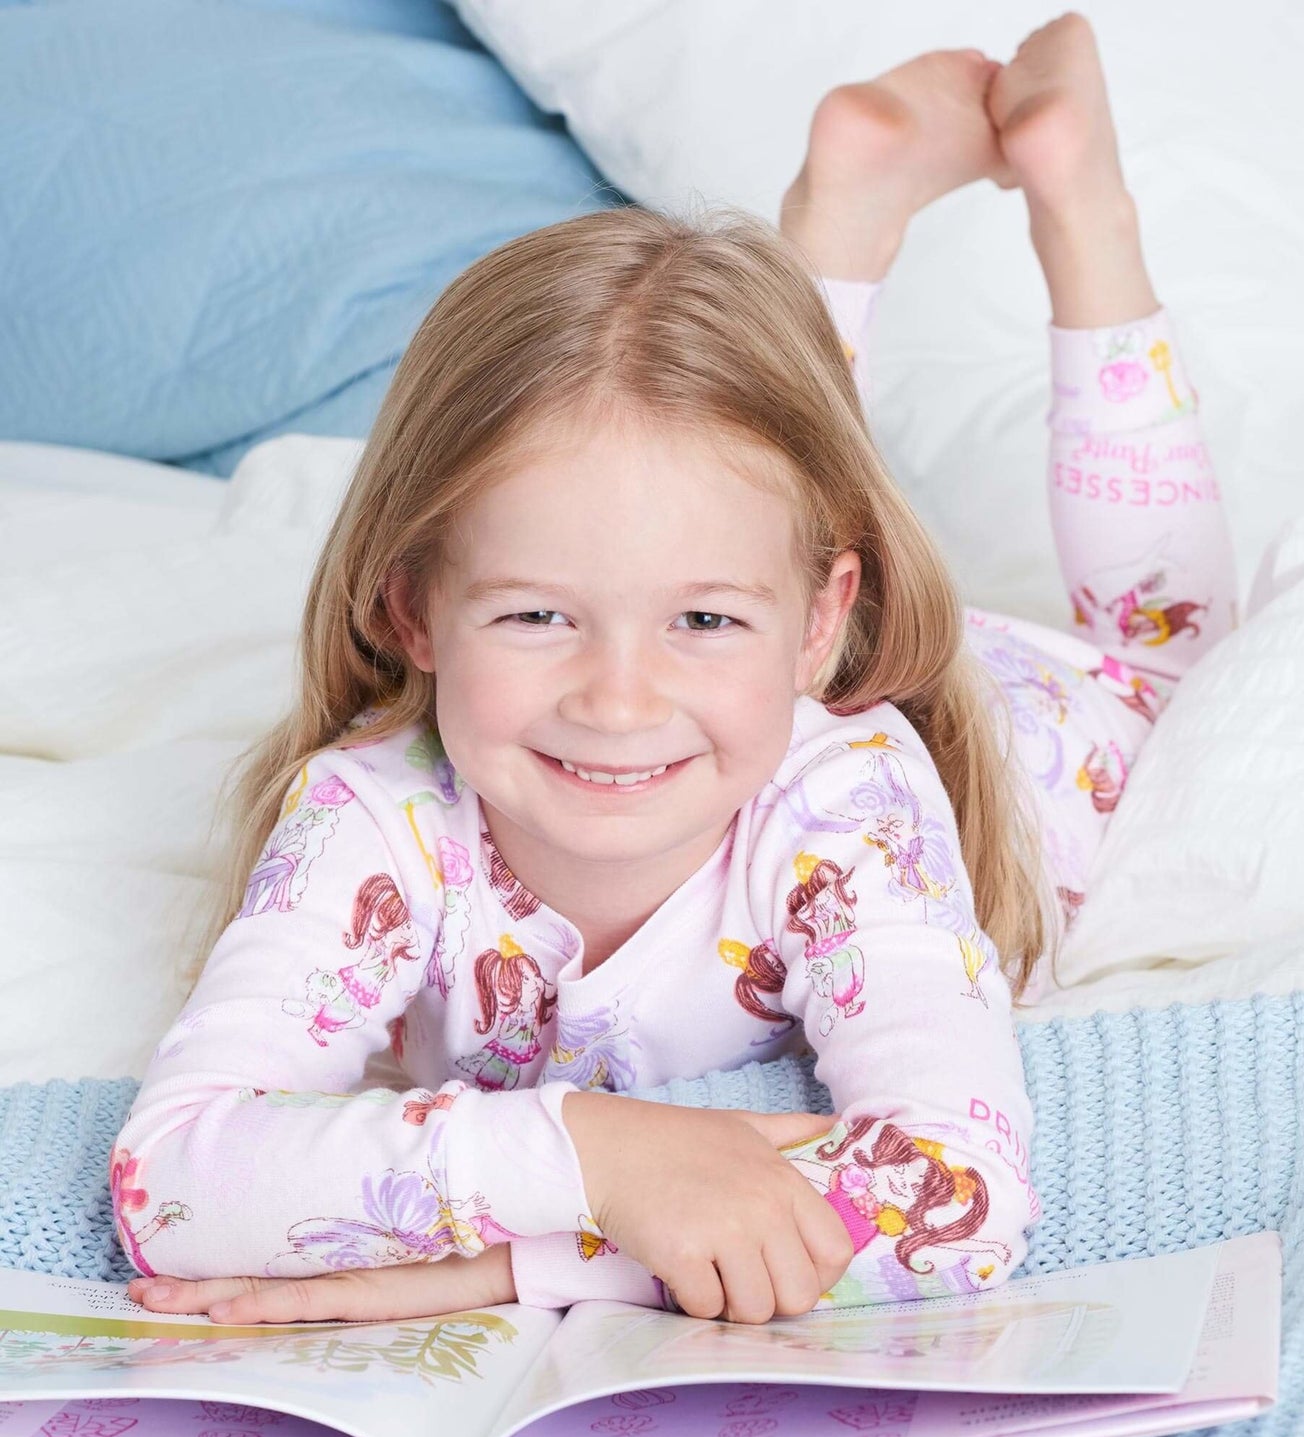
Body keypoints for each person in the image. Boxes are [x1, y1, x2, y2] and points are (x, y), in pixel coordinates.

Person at [114, 13, 1236, 1329]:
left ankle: (1078, 207)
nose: (617, 699)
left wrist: (497, 1269)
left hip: (1046, 721)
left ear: (820, 629)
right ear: (413, 608)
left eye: (696, 625)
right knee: (717, 496)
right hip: (777, 645)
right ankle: (835, 234)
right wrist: (597, 1148)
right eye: (536, 615)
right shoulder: (373, 813)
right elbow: (171, 1180)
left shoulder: (849, 805)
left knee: (1178, 659)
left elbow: (960, 1188)